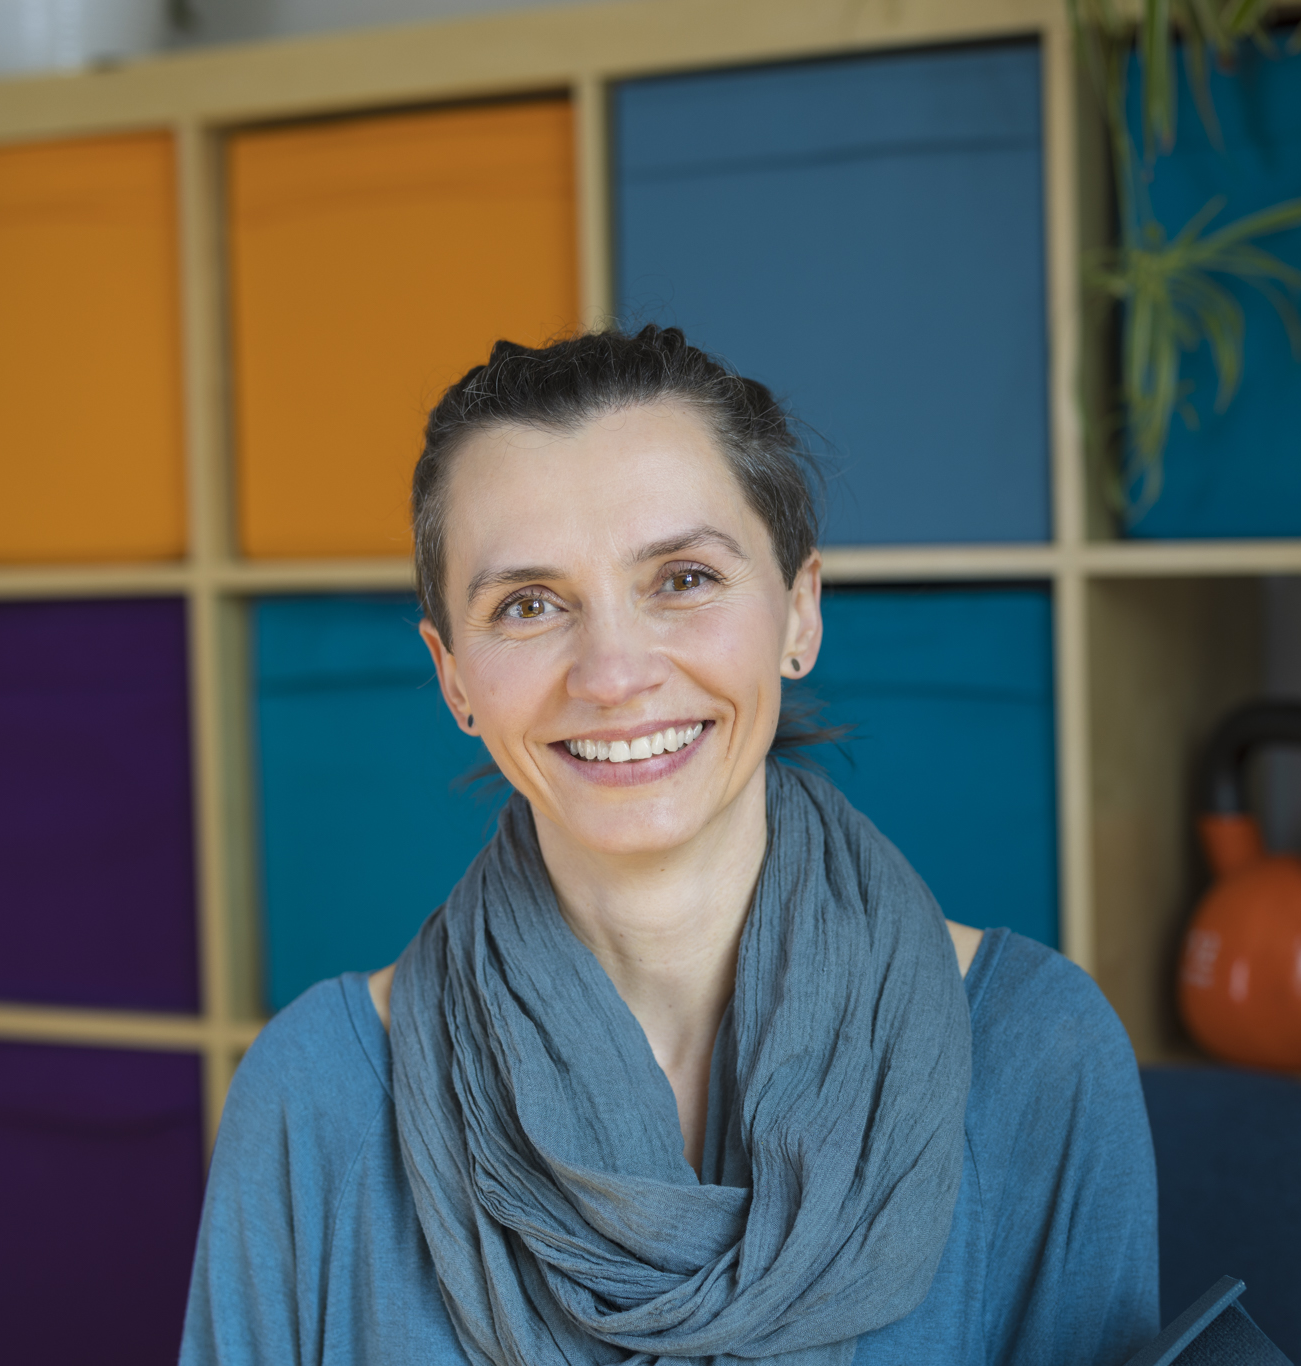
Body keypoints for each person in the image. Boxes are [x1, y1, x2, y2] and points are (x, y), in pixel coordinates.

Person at [180, 327, 1159, 1366]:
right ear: (453, 676)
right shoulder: (314, 1097)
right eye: (528, 605)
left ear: (799, 610)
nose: (612, 673)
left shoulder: (1040, 1054)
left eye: (683, 579)